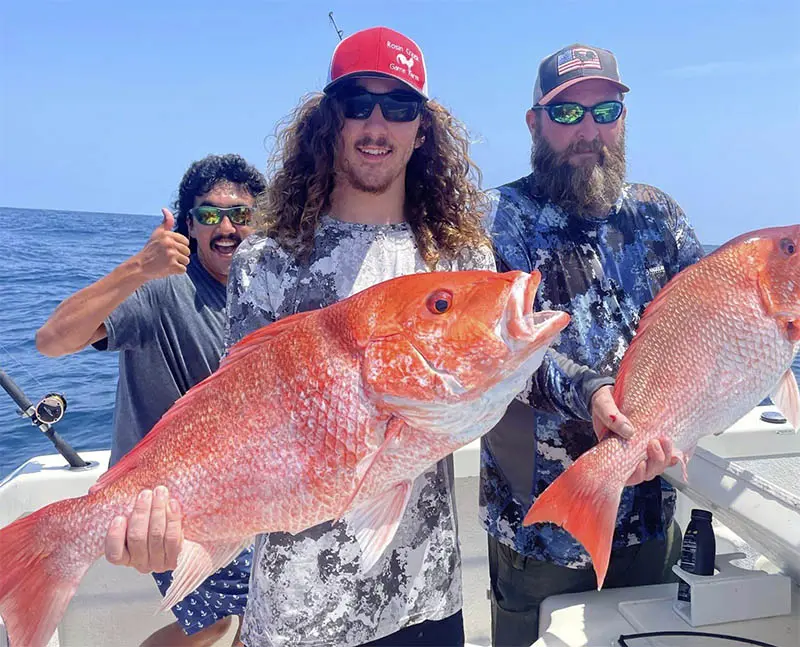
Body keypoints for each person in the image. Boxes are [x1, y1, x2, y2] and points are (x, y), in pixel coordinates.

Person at [97, 28, 634, 647]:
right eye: (358, 103)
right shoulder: (266, 261)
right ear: (331, 119)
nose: (377, 124)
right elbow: (237, 416)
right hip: (296, 612)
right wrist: (174, 528)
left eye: (400, 107)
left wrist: (591, 389)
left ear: (422, 128)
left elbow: (513, 366)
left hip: (426, 600)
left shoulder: (458, 255)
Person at [481, 43, 705, 645]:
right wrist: (592, 392)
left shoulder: (661, 218)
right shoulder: (498, 218)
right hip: (541, 530)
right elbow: (500, 351)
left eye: (605, 112)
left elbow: (703, 327)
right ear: (533, 123)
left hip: (650, 519)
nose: (588, 132)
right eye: (567, 114)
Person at [35, 153, 266, 647]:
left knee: (243, 617)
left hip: (236, 500)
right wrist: (140, 267)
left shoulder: (262, 297)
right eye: (208, 215)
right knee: (231, 621)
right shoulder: (161, 291)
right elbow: (52, 340)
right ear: (187, 225)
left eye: (241, 214)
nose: (226, 227)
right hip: (169, 506)